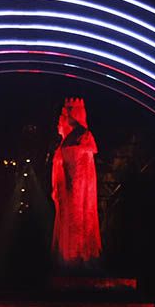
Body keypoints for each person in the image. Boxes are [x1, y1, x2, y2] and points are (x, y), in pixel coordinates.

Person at [51, 98, 101, 267]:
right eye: (65, 111)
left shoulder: (83, 135)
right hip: (67, 187)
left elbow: (82, 165)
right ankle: (69, 257)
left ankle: (78, 257)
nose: (65, 115)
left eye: (69, 111)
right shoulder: (69, 137)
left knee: (77, 221)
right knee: (68, 221)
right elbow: (60, 163)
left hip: (77, 189)